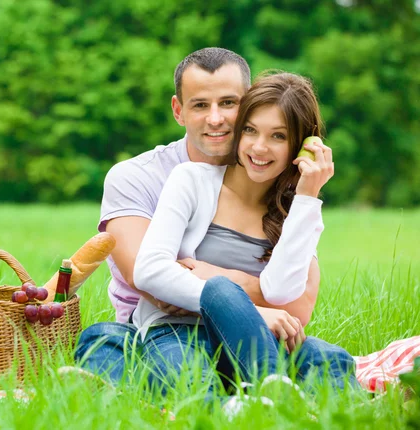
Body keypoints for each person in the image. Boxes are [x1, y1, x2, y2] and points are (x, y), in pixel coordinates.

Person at [72, 71, 359, 399]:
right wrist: (235, 303)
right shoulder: (191, 180)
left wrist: (308, 196)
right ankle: (253, 403)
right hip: (179, 333)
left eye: (278, 136)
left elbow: (281, 293)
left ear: (302, 145)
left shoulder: (296, 209)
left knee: (331, 359)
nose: (260, 147)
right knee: (187, 372)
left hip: (255, 340)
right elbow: (150, 270)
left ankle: (323, 409)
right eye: (250, 130)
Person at [99, 48, 316, 328]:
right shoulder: (134, 176)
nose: (215, 119)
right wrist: (257, 298)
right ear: (179, 111)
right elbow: (150, 281)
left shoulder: (275, 183)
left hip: (250, 332)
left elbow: (297, 306)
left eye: (228, 102)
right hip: (152, 331)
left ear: (250, 104)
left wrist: (210, 274)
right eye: (200, 105)